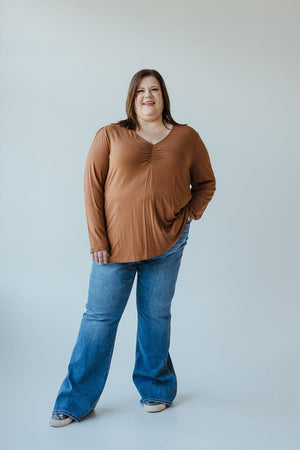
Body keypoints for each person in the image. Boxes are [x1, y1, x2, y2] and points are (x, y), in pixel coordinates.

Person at [49, 68, 216, 427]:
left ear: (164, 96)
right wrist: (97, 238)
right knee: (98, 320)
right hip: (113, 248)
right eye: (141, 90)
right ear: (132, 97)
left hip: (167, 243)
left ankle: (156, 388)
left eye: (154, 89)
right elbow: (92, 188)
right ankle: (74, 401)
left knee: (155, 317)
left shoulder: (187, 137)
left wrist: (188, 215)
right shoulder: (110, 135)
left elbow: (206, 183)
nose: (148, 96)